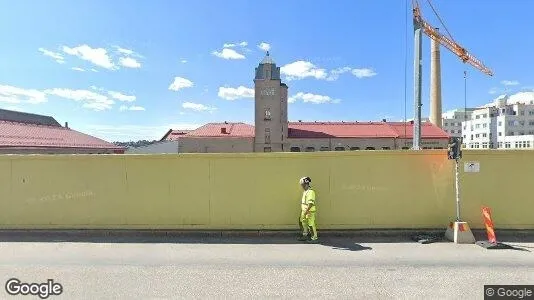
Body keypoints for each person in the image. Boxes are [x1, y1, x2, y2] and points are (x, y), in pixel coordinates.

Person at [297, 176, 318, 242]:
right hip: (304, 211)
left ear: (305, 184)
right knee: (302, 223)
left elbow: (310, 203)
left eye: (302, 185)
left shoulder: (310, 192)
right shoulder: (305, 191)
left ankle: (314, 238)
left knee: (310, 224)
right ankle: (305, 235)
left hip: (309, 211)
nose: (302, 186)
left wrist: (306, 211)